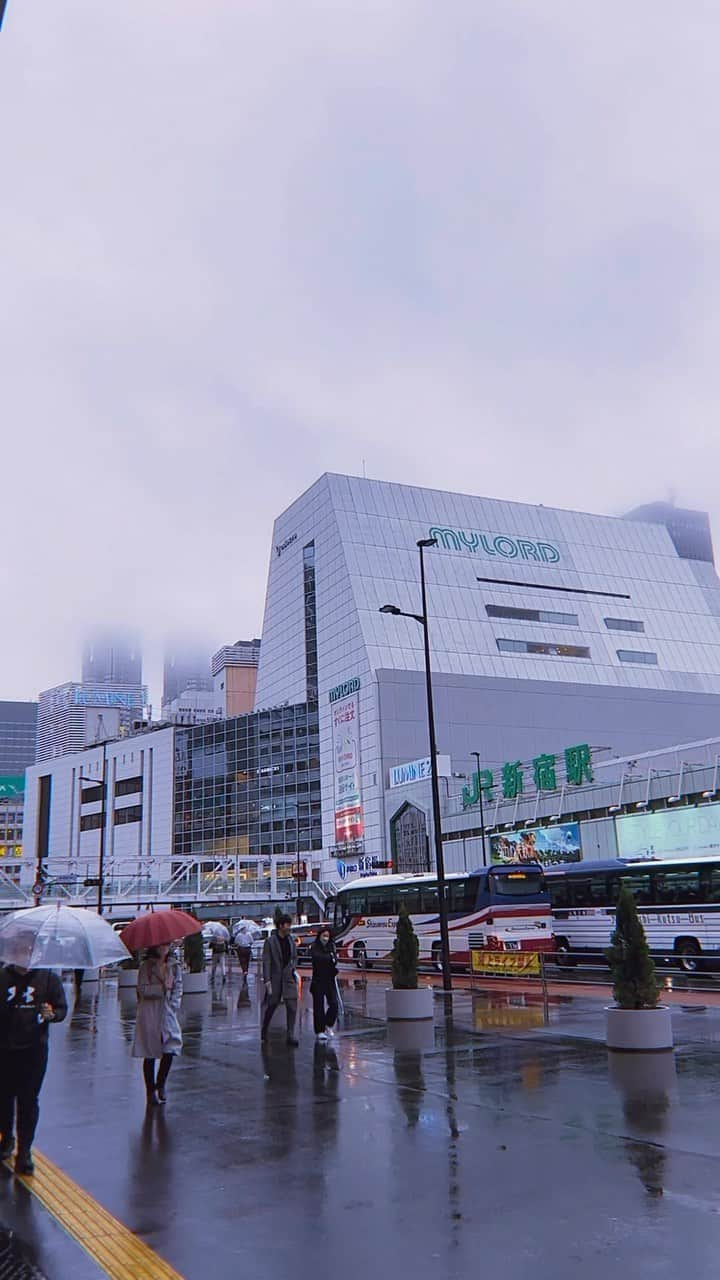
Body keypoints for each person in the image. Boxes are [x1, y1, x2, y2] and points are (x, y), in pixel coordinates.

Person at [0, 939, 68, 1175]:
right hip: (5, 1049)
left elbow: (61, 1009)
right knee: (4, 1100)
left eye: (29, 950)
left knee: (29, 1102)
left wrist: (52, 1014)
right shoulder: (3, 977)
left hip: (34, 1051)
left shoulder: (48, 979)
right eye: (21, 950)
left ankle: (25, 1151)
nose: (25, 955)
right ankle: (6, 1139)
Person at [132, 943, 183, 1106]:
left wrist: (174, 1004)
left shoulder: (174, 966)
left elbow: (179, 987)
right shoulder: (146, 967)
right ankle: (150, 1091)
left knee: (171, 1047)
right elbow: (142, 989)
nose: (164, 947)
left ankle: (161, 1084)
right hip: (150, 1012)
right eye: (161, 945)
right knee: (150, 1052)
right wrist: (161, 988)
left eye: (167, 944)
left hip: (167, 1011)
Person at [261, 915, 299, 1046]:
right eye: (287, 925)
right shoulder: (270, 942)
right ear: (281, 926)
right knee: (272, 1005)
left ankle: (290, 1034)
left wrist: (292, 967)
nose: (289, 927)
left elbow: (295, 957)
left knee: (292, 1005)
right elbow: (267, 961)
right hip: (275, 978)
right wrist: (267, 980)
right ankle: (265, 1028)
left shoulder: (291, 940)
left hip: (288, 977)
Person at [310, 927, 339, 1042]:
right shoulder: (315, 947)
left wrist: (332, 959)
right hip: (318, 980)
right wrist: (329, 958)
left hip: (330, 979)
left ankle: (328, 1023)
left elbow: (334, 960)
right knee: (319, 1006)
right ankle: (319, 1030)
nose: (326, 938)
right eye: (324, 936)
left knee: (334, 1003)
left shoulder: (332, 946)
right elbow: (317, 958)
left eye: (327, 936)